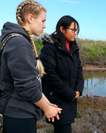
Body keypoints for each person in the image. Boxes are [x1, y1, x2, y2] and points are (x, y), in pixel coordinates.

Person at [0, 1, 62, 133]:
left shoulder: (17, 40)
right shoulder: (19, 43)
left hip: (19, 112)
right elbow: (26, 86)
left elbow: (32, 81)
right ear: (30, 18)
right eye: (43, 20)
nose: (45, 26)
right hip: (18, 114)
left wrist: (48, 104)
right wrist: (46, 109)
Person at [39, 15, 84, 133]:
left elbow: (79, 70)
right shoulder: (50, 48)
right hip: (57, 99)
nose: (75, 33)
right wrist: (70, 93)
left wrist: (78, 90)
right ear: (62, 29)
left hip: (71, 98)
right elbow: (49, 76)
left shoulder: (74, 48)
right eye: (72, 30)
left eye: (77, 30)